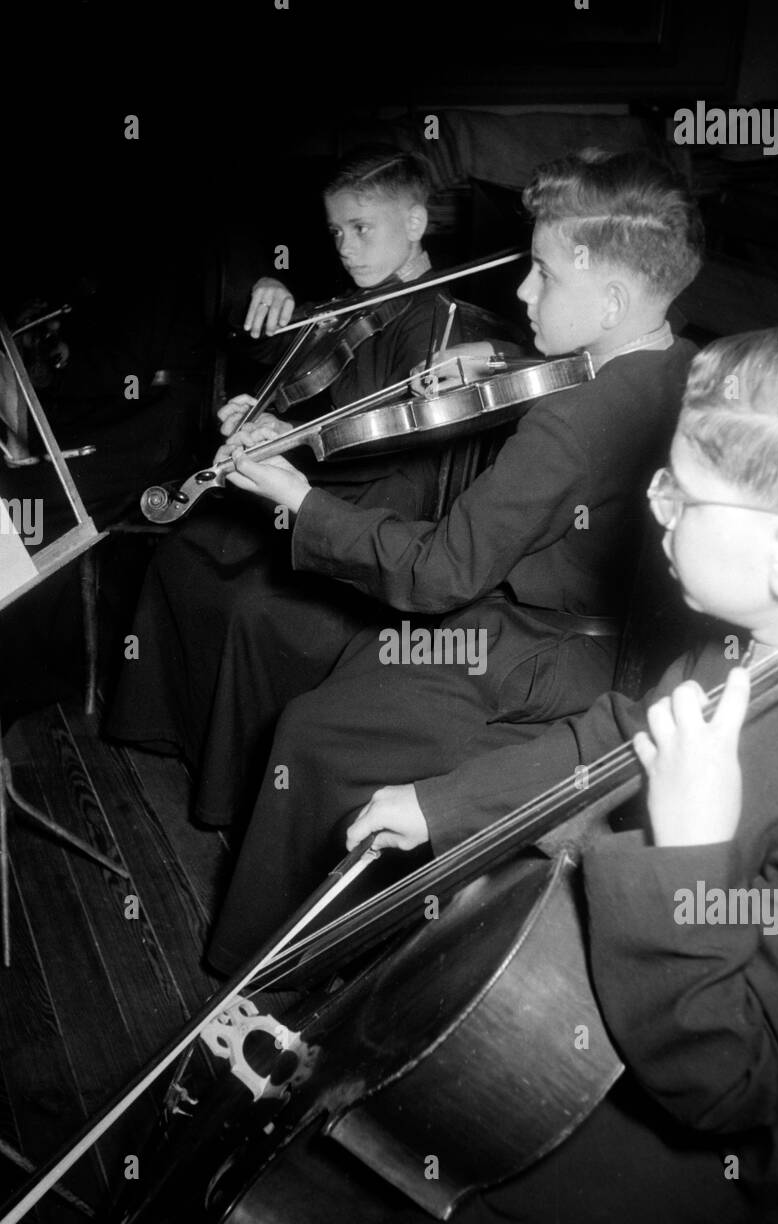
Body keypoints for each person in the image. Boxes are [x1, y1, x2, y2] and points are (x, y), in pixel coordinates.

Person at [293, 315, 778, 1224]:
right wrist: (443, 801)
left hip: (742, 1136)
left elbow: (728, 1080)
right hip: (663, 1001)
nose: (652, 504)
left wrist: (686, 851)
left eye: (679, 493)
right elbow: (614, 735)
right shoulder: (754, 637)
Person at [206, 147, 703, 974]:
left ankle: (265, 969)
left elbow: (438, 575)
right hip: (608, 643)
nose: (521, 291)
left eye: (541, 275)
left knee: (312, 728)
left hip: (542, 653)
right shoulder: (677, 361)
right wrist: (510, 358)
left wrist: (300, 500)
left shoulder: (570, 426)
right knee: (350, 659)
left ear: (611, 297)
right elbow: (598, 367)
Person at [103, 146, 508, 826]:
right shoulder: (349, 303)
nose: (346, 248)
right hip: (314, 483)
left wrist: (286, 440)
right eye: (336, 232)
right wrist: (264, 394)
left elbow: (399, 449)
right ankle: (191, 744)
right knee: (185, 553)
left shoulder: (447, 324)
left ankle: (237, 792)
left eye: (362, 229)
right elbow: (284, 366)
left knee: (254, 608)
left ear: (415, 222)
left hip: (383, 506)